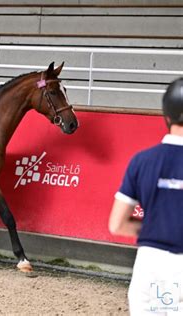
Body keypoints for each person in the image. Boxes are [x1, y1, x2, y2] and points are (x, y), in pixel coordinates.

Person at [109, 78, 183, 315]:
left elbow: (117, 224)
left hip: (152, 266)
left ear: (167, 115)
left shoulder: (143, 161)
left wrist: (157, 227)